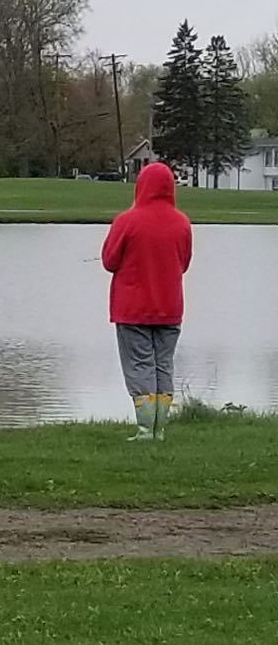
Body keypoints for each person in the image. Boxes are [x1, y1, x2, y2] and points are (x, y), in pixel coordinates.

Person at [101, 160, 193, 441]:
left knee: (140, 364)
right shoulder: (182, 223)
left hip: (133, 308)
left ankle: (144, 429)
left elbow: (109, 261)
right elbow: (184, 263)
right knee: (163, 364)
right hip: (170, 306)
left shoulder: (127, 221)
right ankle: (159, 429)